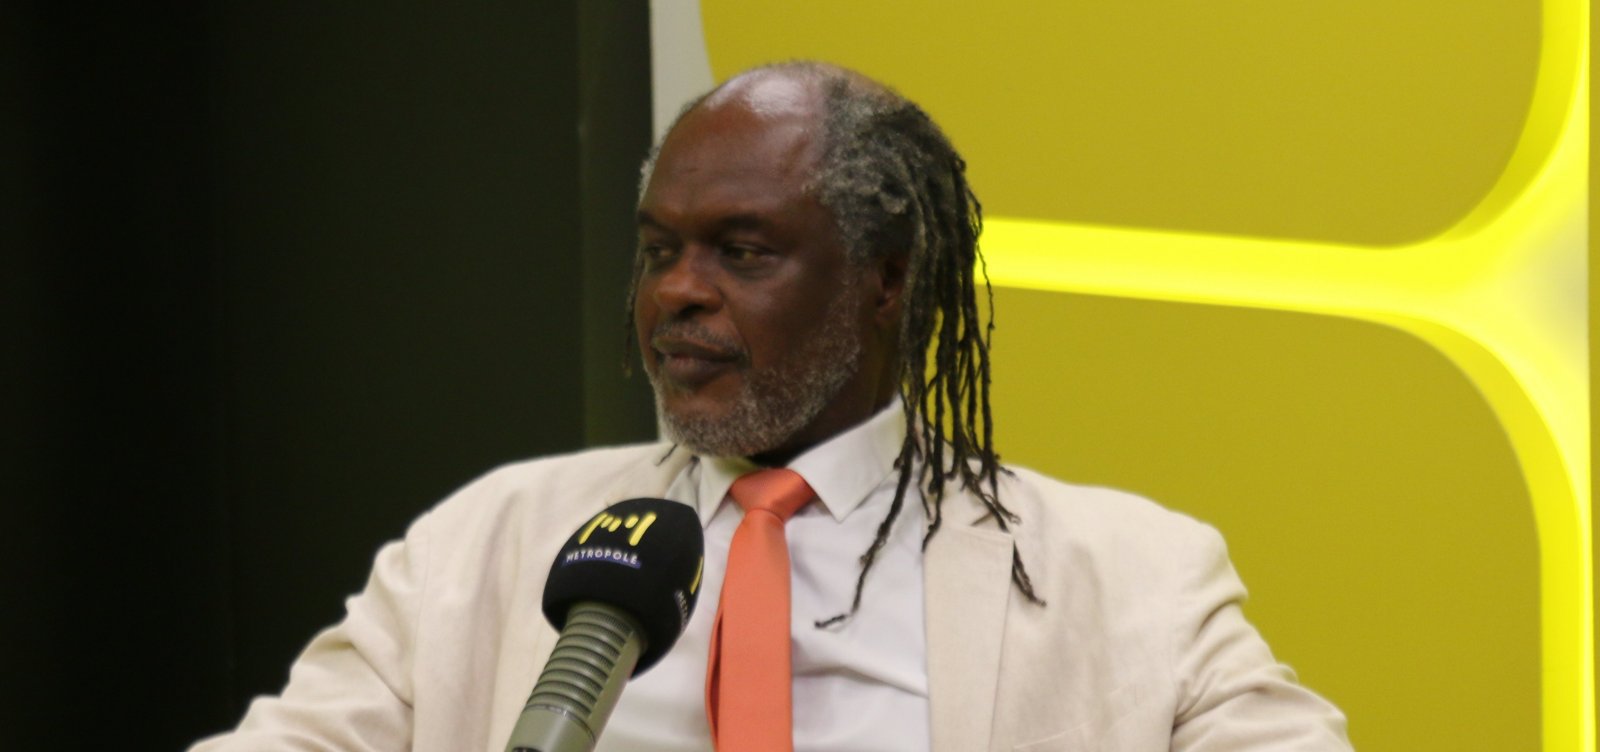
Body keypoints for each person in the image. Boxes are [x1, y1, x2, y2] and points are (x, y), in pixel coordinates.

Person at [191, 61, 1352, 751]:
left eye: (741, 251)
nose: (676, 292)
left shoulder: (1132, 574)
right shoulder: (490, 538)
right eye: (659, 249)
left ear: (884, 281)